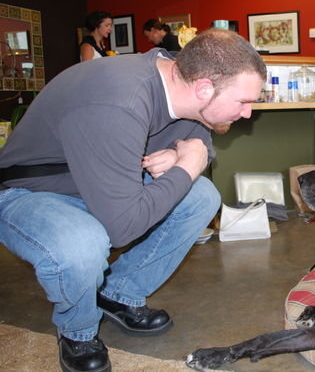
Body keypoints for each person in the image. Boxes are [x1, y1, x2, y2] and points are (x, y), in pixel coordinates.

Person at [0, 28, 266, 372]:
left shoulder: (182, 79)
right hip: (29, 192)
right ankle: (78, 331)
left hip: (95, 181)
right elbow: (123, 227)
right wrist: (186, 166)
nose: (247, 114)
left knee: (202, 197)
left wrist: (182, 154)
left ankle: (117, 293)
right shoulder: (118, 99)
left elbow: (200, 143)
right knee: (83, 243)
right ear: (204, 88)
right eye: (243, 102)